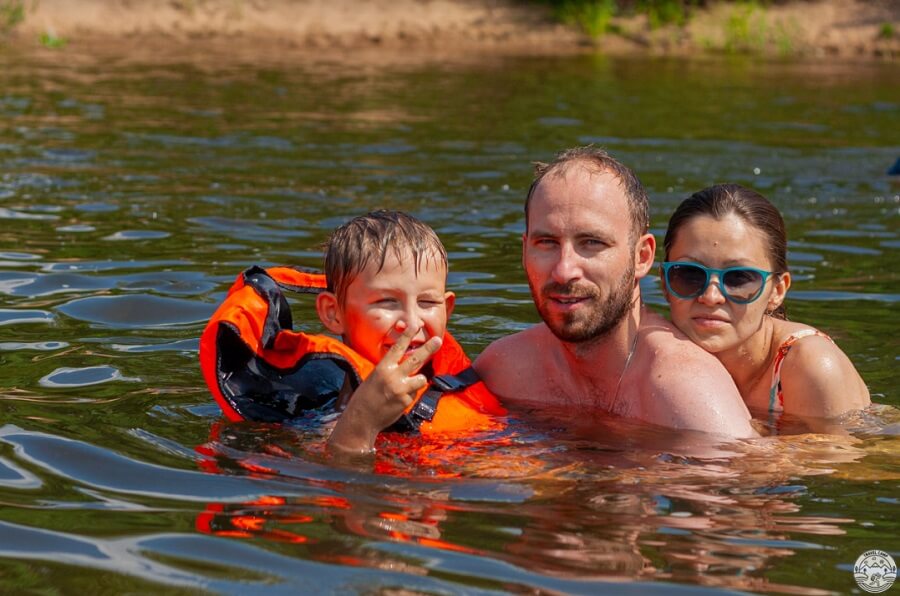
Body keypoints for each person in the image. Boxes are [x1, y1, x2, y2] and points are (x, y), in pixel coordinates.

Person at [474, 146, 757, 438]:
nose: (564, 270)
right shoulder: (502, 370)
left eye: (592, 242)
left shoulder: (687, 395)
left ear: (642, 257)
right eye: (546, 242)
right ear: (524, 251)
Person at [199, 210, 505, 456]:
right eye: (387, 302)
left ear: (447, 309)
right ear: (334, 313)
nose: (412, 322)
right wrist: (363, 423)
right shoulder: (325, 424)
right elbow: (334, 482)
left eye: (427, 303)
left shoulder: (480, 380)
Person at [661, 184, 870, 421]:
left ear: (777, 291)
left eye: (739, 278)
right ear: (664, 283)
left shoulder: (813, 366)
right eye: (689, 275)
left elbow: (846, 446)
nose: (710, 297)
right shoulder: (649, 348)